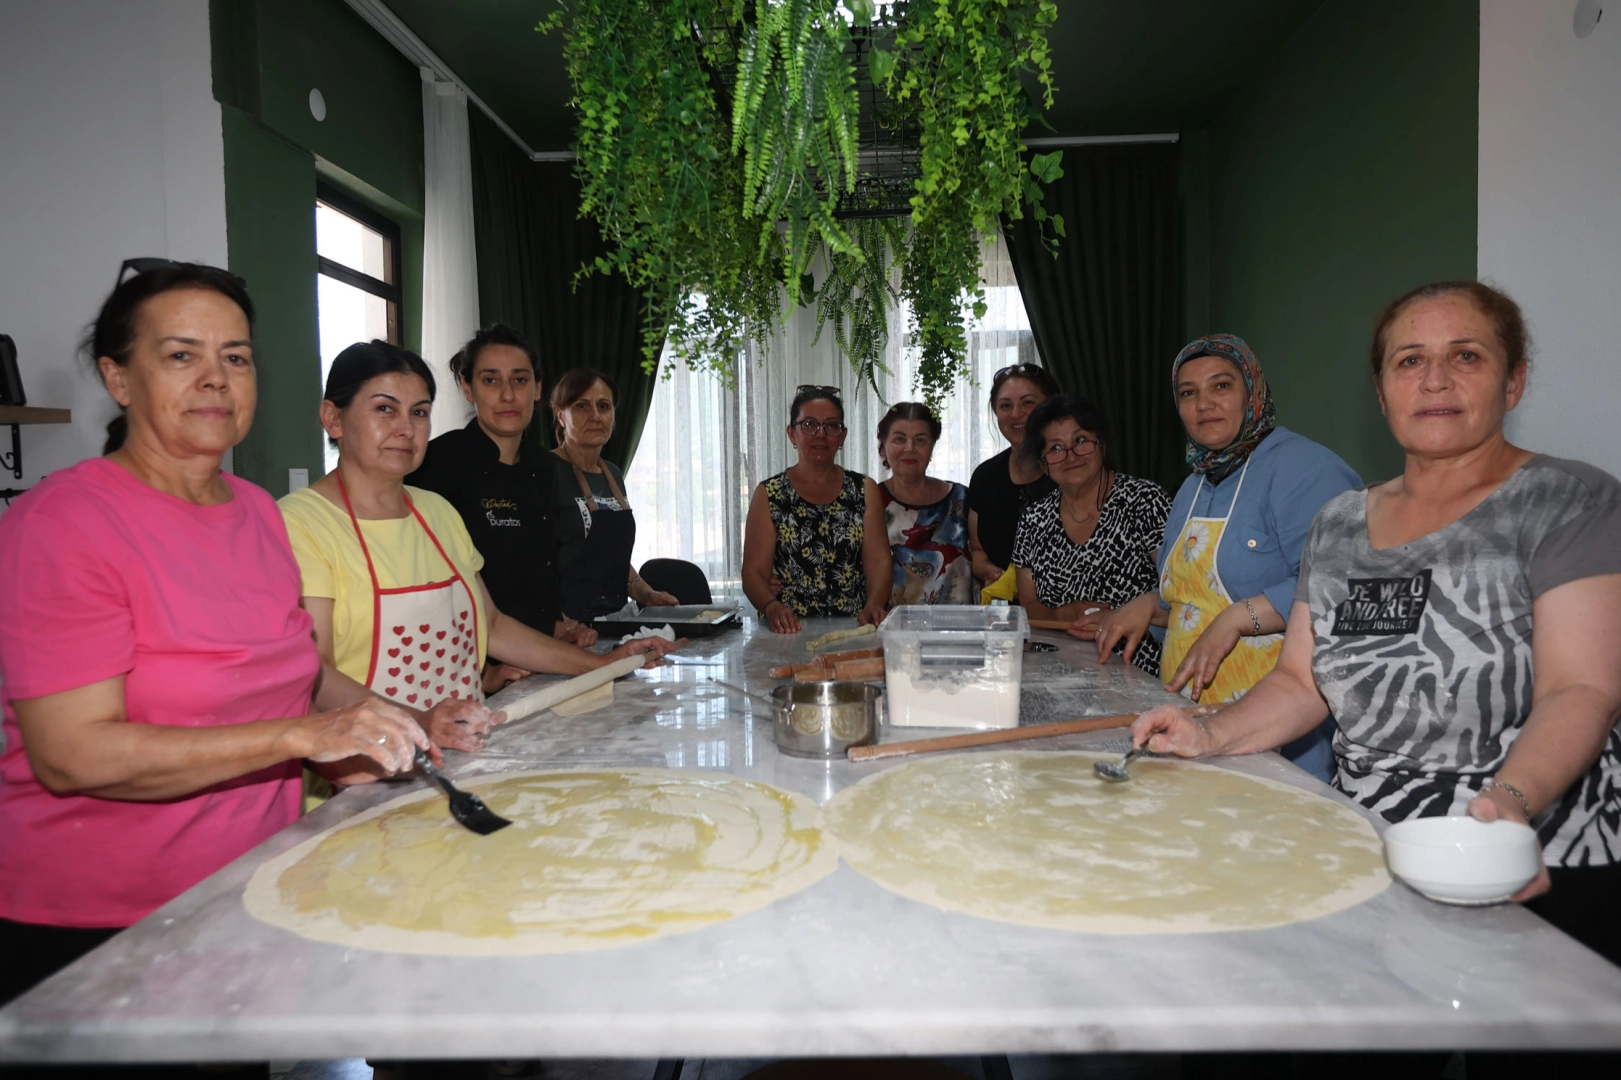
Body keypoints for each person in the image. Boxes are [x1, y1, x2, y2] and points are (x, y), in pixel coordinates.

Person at [1132, 282, 1621, 966]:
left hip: (1534, 849)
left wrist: (1508, 806)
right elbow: (1302, 682)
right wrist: (1208, 731)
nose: (1435, 380)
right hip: (1368, 845)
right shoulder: (1341, 523)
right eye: (1408, 361)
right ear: (1381, 387)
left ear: (1513, 382)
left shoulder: (1567, 500)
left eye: (1466, 356)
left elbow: (1581, 690)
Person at [0, 266, 429, 1013]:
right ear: (118, 378)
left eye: (235, 357)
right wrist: (306, 735)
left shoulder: (259, 511)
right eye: (180, 355)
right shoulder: (61, 525)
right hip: (97, 928)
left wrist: (401, 724)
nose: (215, 379)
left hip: (249, 887)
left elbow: (306, 671)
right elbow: (73, 755)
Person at [280, 343, 673, 728]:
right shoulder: (300, 523)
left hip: (466, 744)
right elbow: (314, 676)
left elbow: (493, 626)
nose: (405, 428)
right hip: (366, 771)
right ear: (333, 418)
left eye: (419, 412)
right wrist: (417, 724)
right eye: (385, 409)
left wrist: (604, 664)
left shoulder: (436, 513)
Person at [1094, 335, 1360, 782]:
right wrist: (1151, 607)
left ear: (1252, 392)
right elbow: (1202, 604)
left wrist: (1239, 617)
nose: (1204, 405)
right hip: (1196, 721)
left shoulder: (1305, 468)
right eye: (1188, 393)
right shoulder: (1193, 484)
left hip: (1280, 728)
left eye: (1221, 386)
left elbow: (1342, 587)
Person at [407, 325, 597, 692]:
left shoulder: (545, 466)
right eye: (491, 380)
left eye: (520, 380)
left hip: (540, 661)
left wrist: (557, 625)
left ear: (538, 389)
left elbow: (540, 566)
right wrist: (481, 675)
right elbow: (425, 588)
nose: (508, 394)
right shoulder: (436, 464)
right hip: (467, 673)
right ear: (467, 388)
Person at [1011, 394, 1172, 676]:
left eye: (1081, 441)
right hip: (1058, 673)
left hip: (1139, 672)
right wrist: (1064, 614)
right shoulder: (1033, 519)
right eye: (1056, 448)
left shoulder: (1145, 501)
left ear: (1102, 444)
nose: (1071, 456)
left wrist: (1122, 617)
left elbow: (1181, 592)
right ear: (1043, 462)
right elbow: (1029, 607)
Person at [742, 385, 890, 633]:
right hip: (787, 632)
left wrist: (874, 605)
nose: (820, 434)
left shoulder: (864, 489)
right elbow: (753, 572)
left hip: (854, 629)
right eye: (809, 425)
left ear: (842, 437)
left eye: (831, 426)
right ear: (792, 433)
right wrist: (770, 606)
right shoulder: (769, 494)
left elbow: (879, 562)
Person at [548, 368, 680, 621]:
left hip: (612, 620)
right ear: (560, 415)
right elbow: (532, 565)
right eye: (582, 406)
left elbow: (611, 557)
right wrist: (559, 624)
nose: (595, 416)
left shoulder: (613, 473)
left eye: (604, 406)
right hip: (563, 627)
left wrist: (645, 592)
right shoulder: (545, 471)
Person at [967, 364, 1061, 602]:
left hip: (1069, 616)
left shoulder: (1073, 471)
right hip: (1004, 619)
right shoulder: (985, 477)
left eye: (1027, 403)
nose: (1016, 414)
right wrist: (989, 570)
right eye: (1005, 405)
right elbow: (977, 551)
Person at [876, 402, 973, 606]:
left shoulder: (962, 498)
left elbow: (981, 558)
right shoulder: (871, 500)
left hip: (959, 630)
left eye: (920, 440)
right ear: (883, 445)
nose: (909, 448)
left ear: (932, 446)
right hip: (890, 630)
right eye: (899, 439)